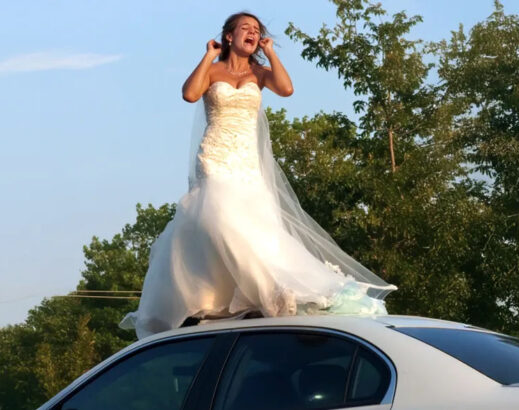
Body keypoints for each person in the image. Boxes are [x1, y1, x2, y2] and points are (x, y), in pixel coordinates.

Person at [120, 11, 396, 340]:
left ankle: (266, 290)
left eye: (257, 30)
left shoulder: (259, 72)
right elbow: (190, 94)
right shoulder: (213, 69)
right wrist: (208, 55)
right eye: (245, 29)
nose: (252, 33)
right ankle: (258, 289)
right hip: (216, 156)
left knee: (255, 226)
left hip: (247, 161)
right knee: (221, 219)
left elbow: (286, 88)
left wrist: (272, 52)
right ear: (228, 36)